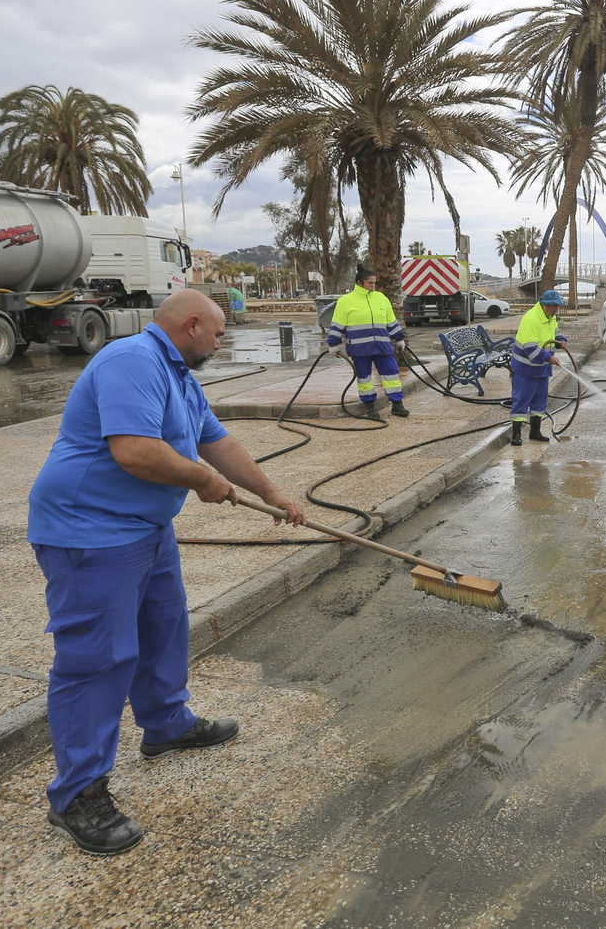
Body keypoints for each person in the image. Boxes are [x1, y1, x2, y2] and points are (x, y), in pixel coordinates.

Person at [26, 289, 307, 855]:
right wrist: (202, 482)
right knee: (98, 657)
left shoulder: (179, 373)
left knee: (164, 628)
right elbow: (133, 450)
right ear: (193, 324)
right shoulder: (132, 361)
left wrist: (271, 492)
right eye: (220, 331)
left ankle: (166, 724)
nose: (222, 340)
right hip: (91, 531)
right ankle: (77, 794)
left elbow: (216, 441)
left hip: (144, 528)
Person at [326, 265, 407, 421]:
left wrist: (399, 337)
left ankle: (397, 404)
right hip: (359, 348)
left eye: (374, 283)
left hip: (382, 346)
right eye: (370, 283)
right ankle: (370, 406)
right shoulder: (345, 302)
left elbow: (391, 321)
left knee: (391, 374)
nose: (373, 286)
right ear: (359, 282)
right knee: (364, 378)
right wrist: (333, 344)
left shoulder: (381, 298)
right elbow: (337, 325)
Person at [510, 289, 567, 446]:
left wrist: (560, 339)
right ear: (545, 305)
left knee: (539, 401)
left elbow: (554, 330)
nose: (557, 309)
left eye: (557, 306)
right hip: (525, 368)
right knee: (521, 399)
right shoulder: (531, 319)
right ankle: (516, 434)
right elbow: (529, 348)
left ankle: (535, 432)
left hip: (541, 368)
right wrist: (549, 358)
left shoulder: (550, 316)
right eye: (554, 306)